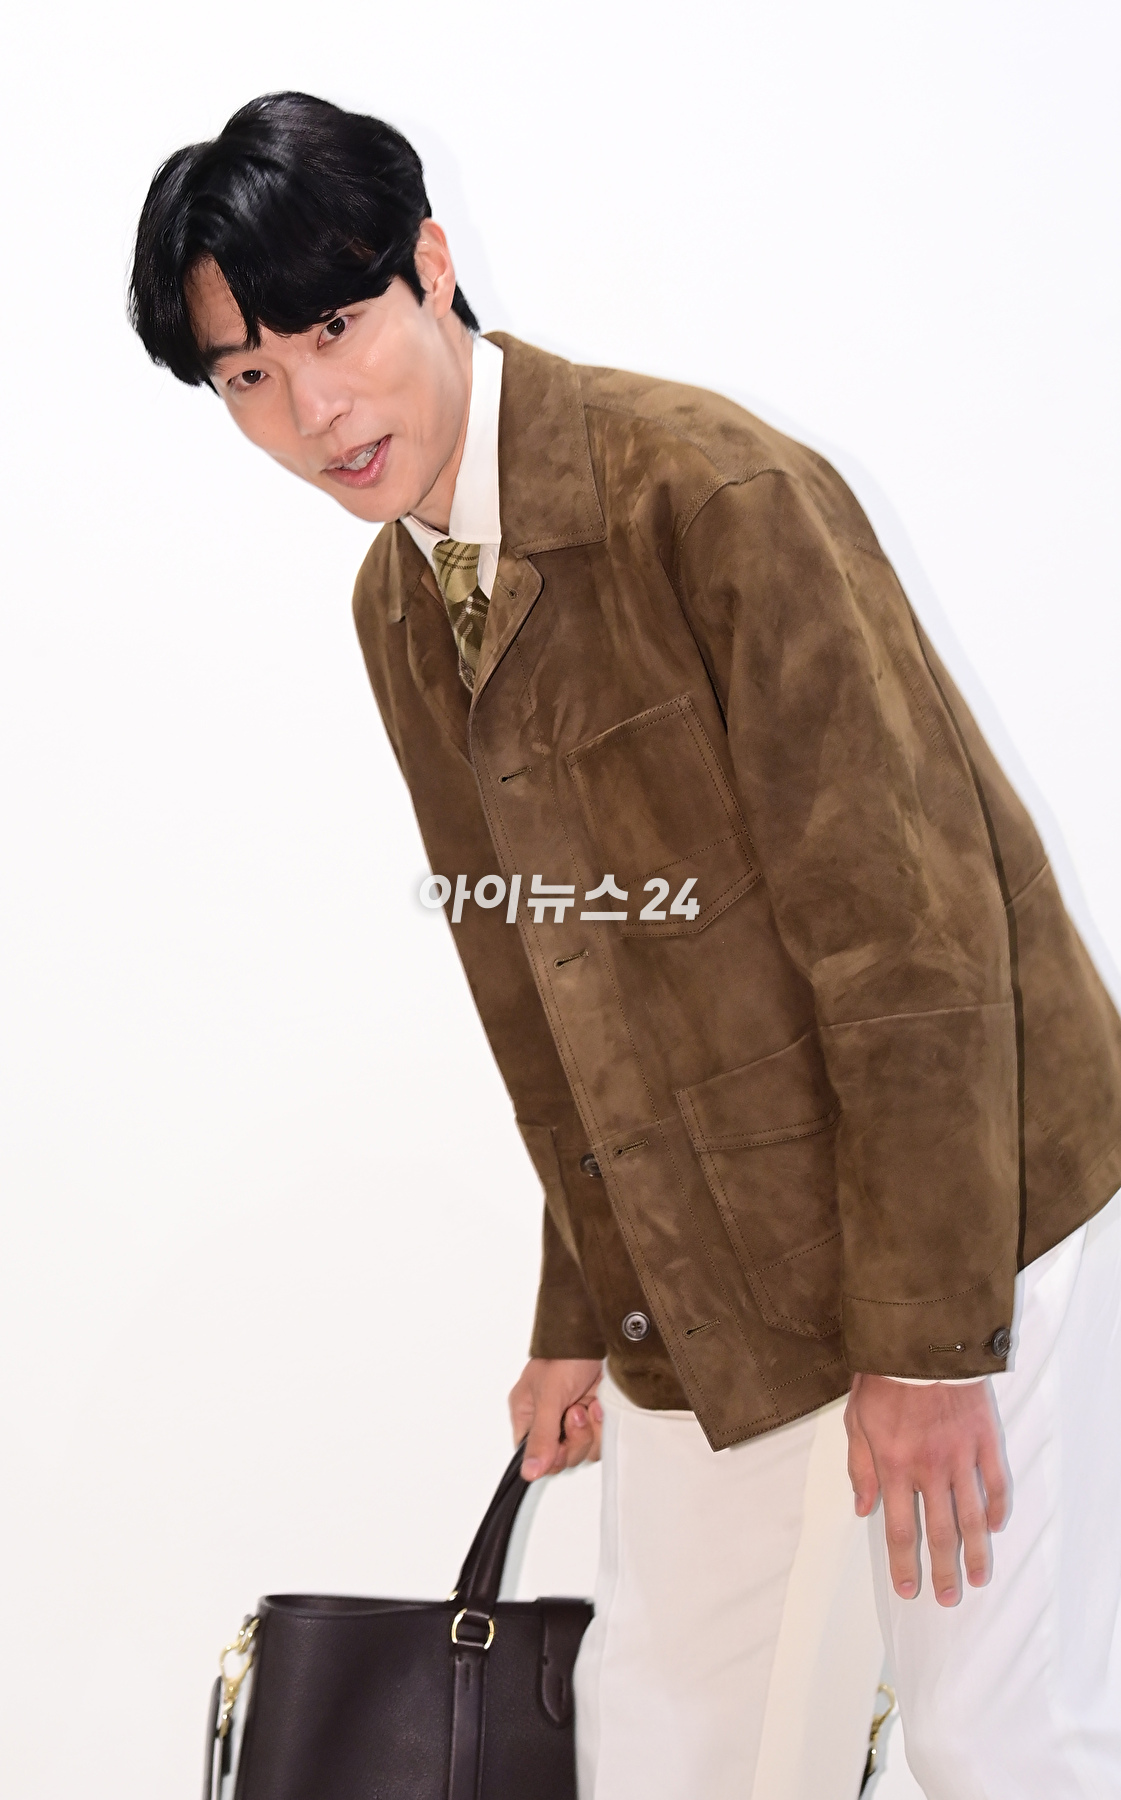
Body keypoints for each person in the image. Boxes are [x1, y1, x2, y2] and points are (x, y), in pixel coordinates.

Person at [129, 92, 1121, 1800]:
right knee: (673, 1744)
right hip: (716, 1250)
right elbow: (548, 982)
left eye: (334, 328)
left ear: (432, 265)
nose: (313, 409)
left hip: (982, 1211)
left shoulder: (707, 492)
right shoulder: (400, 603)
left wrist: (928, 1347)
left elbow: (911, 939)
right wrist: (580, 1307)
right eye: (248, 377)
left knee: (991, 1737)